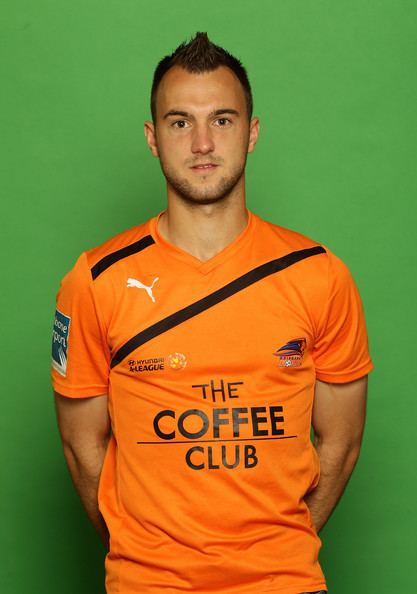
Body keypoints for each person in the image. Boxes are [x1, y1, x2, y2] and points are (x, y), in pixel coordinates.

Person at [52, 32, 372, 594]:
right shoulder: (94, 280)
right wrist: (143, 554)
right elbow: (83, 448)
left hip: (286, 582)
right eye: (180, 122)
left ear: (251, 132)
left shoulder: (320, 275)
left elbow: (341, 444)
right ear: (153, 139)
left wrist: (279, 552)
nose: (202, 142)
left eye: (222, 120)